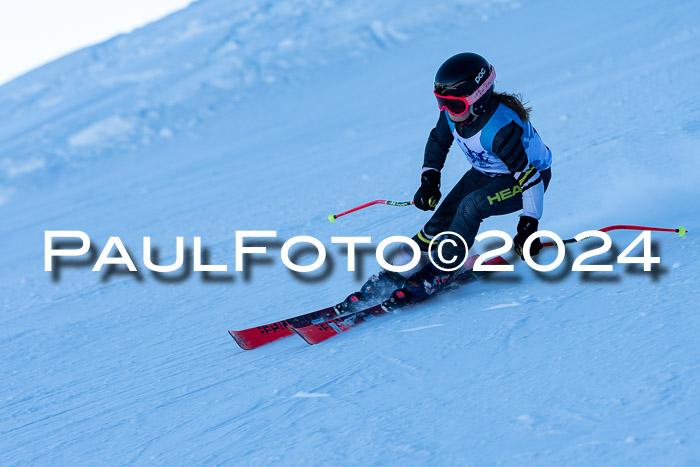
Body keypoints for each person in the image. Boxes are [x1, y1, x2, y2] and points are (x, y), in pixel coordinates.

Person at [335, 52, 553, 314]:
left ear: (478, 100)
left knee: (471, 206)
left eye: (455, 105)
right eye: (442, 103)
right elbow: (439, 141)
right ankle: (393, 276)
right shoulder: (452, 115)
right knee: (438, 223)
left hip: (526, 181)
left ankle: (442, 269)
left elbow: (529, 179)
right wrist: (430, 179)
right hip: (485, 171)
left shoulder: (500, 130)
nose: (447, 111)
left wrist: (529, 224)